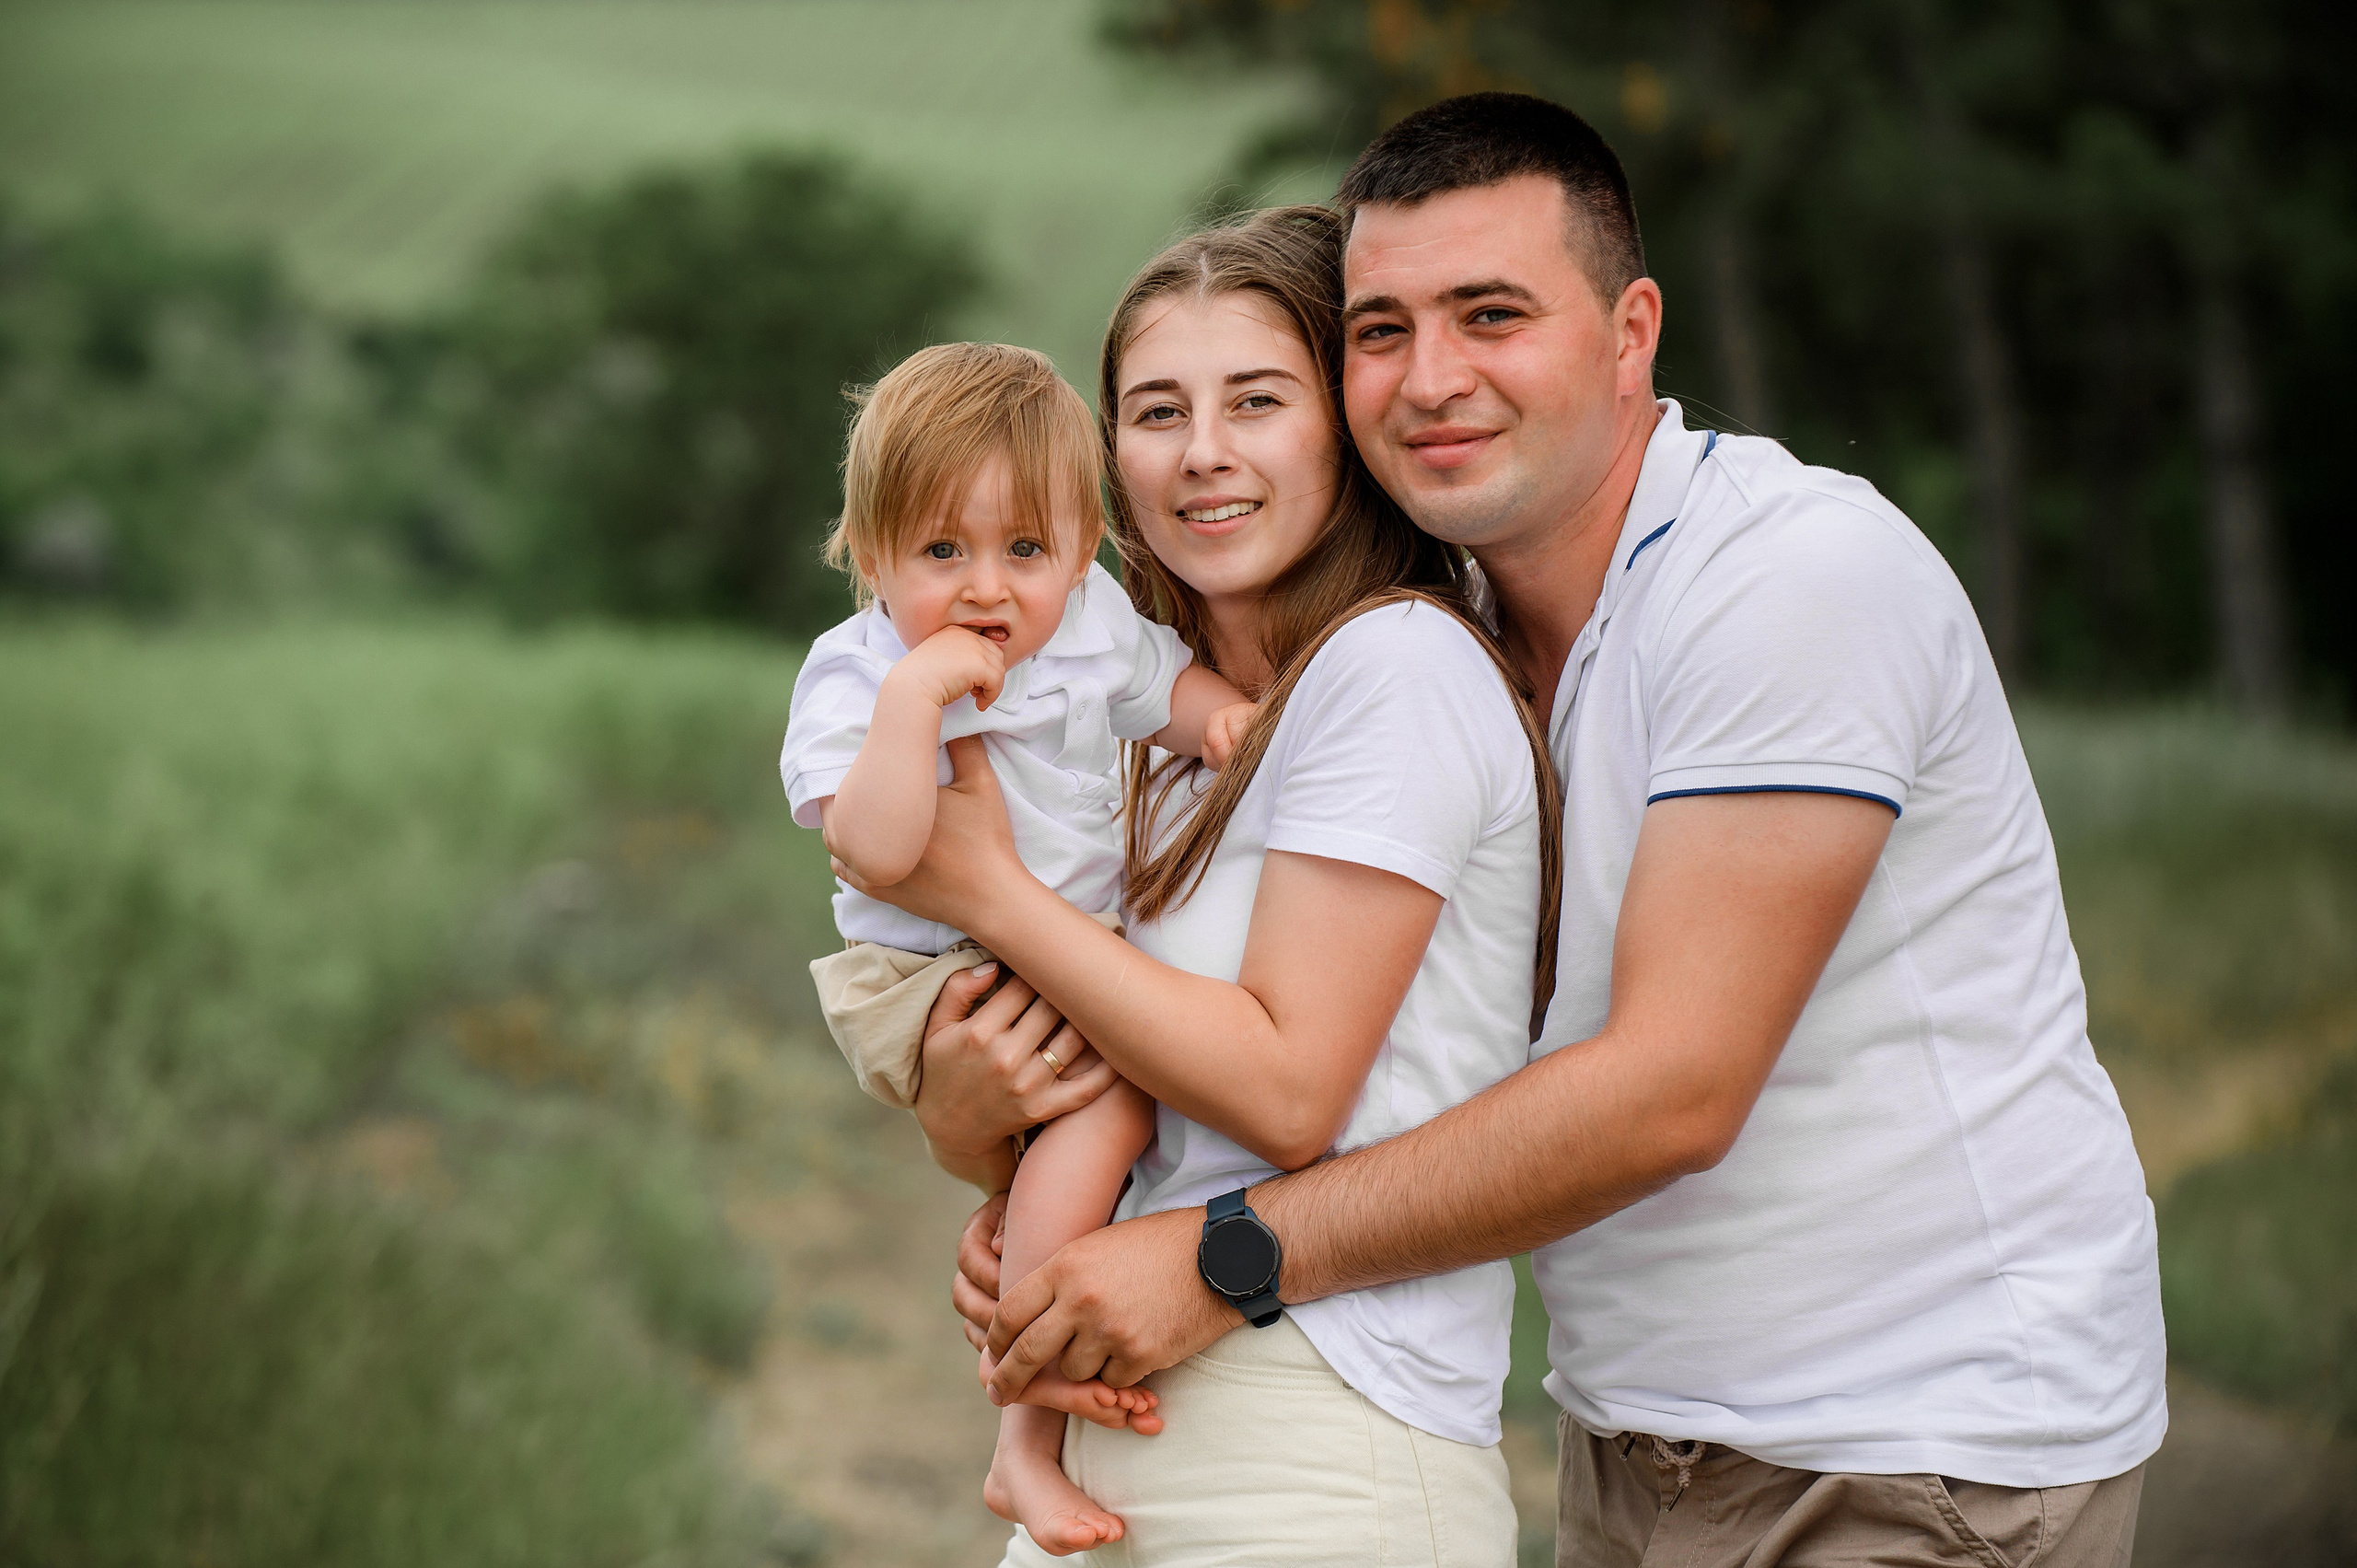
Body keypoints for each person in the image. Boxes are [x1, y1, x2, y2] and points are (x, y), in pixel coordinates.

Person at [915, 95, 2167, 1566]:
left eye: (1490, 313)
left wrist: (1223, 1253)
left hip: (1920, 1437)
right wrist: (983, 1125)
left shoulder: (1790, 582)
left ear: (1631, 332)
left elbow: (1671, 1089)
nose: (1432, 377)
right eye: (1381, 330)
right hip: (1635, 1437)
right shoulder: (1447, 641)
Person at [838, 208, 1560, 1563]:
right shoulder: (1152, 729)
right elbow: (1119, 1060)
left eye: (1259, 401)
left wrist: (993, 897)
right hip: (1129, 1403)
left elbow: (1289, 1096)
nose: (1204, 452)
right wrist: (980, 1148)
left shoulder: (1394, 668)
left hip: (1316, 1434)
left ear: (1342, 430)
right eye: (1157, 411)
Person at [777, 342, 1256, 1551]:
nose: (987, 589)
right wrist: (915, 701)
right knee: (1108, 1112)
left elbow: (1171, 690)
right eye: (943, 552)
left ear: (1084, 552)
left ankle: (1019, 1393)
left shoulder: (1092, 628)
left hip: (1044, 951)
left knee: (1097, 1130)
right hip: (926, 976)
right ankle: (1024, 1406)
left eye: (1025, 550)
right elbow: (880, 850)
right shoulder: (858, 674)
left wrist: (1229, 726)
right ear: (870, 553)